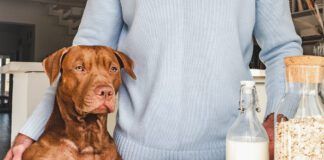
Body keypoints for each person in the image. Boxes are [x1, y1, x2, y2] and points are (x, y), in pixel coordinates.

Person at [5, 0, 302, 159]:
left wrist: (277, 124)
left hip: (230, 150)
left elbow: (283, 50)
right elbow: (79, 58)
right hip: (134, 152)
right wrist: (29, 134)